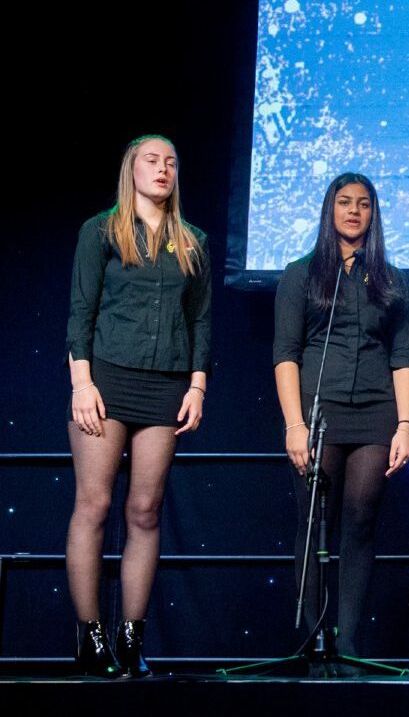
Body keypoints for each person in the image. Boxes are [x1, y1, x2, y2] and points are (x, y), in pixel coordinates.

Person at [65, 135, 212, 678]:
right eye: (152, 161)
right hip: (105, 382)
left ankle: (131, 637)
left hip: (166, 387)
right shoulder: (100, 232)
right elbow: (80, 312)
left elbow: (200, 320)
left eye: (171, 162)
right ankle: (90, 636)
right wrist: (82, 384)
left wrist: (197, 386)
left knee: (146, 511)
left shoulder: (192, 241)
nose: (163, 169)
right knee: (95, 505)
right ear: (131, 170)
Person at [274, 173, 409, 660]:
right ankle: (312, 641)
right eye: (344, 202)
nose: (353, 211)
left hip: (377, 413)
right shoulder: (302, 273)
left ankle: (349, 642)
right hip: (319, 414)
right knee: (314, 525)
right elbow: (286, 354)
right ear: (329, 210)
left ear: (374, 214)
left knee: (360, 523)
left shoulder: (392, 280)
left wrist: (405, 425)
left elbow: (404, 358)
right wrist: (294, 424)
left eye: (363, 204)